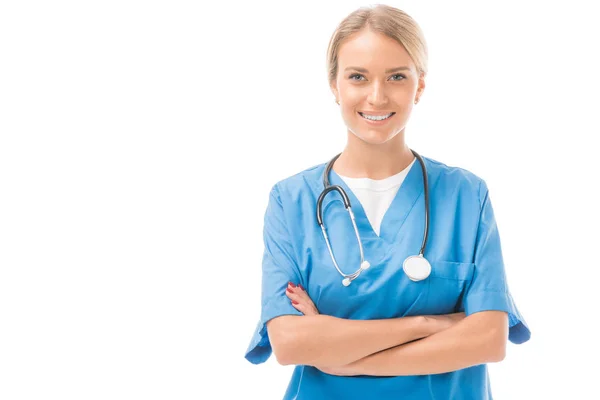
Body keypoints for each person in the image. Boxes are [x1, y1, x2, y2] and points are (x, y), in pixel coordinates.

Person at [244, 4, 531, 399]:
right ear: (334, 85)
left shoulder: (466, 196)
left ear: (420, 85)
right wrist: (427, 324)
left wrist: (342, 357)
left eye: (397, 76)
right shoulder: (291, 201)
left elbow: (488, 339)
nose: (376, 97)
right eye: (358, 77)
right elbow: (291, 342)